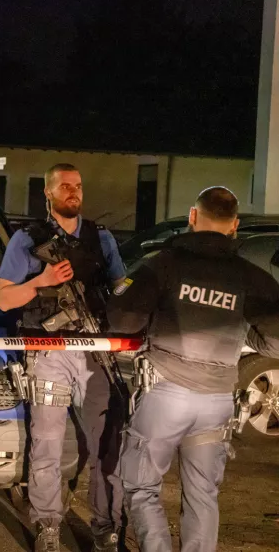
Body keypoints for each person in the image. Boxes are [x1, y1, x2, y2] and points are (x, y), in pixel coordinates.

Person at [108, 186, 279, 552]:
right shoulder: (248, 275)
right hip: (217, 401)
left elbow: (121, 317)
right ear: (234, 226)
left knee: (141, 487)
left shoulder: (165, 263)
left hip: (166, 394)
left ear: (192, 217)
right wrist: (244, 332)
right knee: (203, 495)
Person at [0, 163, 128, 552]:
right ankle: (48, 524)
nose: (74, 192)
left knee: (105, 442)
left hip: (94, 351)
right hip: (49, 351)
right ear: (48, 194)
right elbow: (5, 298)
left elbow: (122, 293)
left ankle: (105, 525)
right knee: (48, 441)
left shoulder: (101, 239)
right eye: (65, 186)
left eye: (79, 186)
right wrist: (42, 282)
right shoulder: (26, 240)